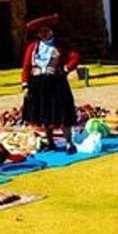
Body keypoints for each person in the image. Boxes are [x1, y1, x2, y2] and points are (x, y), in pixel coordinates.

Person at [20, 14, 81, 153]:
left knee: (63, 111)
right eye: (41, 31)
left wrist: (66, 69)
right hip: (37, 83)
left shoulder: (60, 46)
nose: (44, 34)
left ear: (51, 31)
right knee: (44, 113)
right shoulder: (32, 47)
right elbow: (26, 67)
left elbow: (75, 57)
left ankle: (68, 142)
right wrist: (25, 84)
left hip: (56, 82)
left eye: (46, 31)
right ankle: (50, 142)